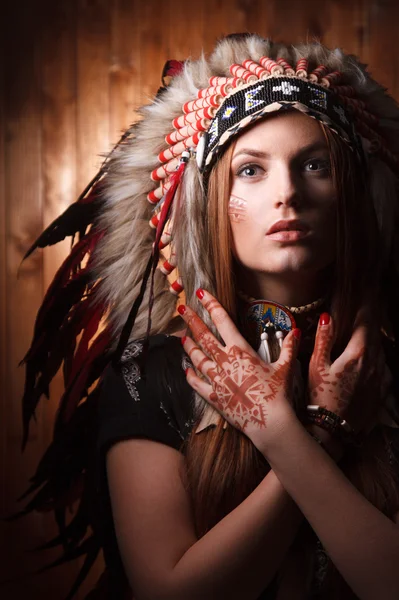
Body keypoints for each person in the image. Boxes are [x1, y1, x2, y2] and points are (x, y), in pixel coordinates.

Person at [20, 34, 399, 599]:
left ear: (351, 191)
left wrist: (288, 437)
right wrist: (322, 433)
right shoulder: (153, 372)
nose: (288, 194)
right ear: (209, 201)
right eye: (251, 171)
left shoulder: (387, 369)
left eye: (315, 164)